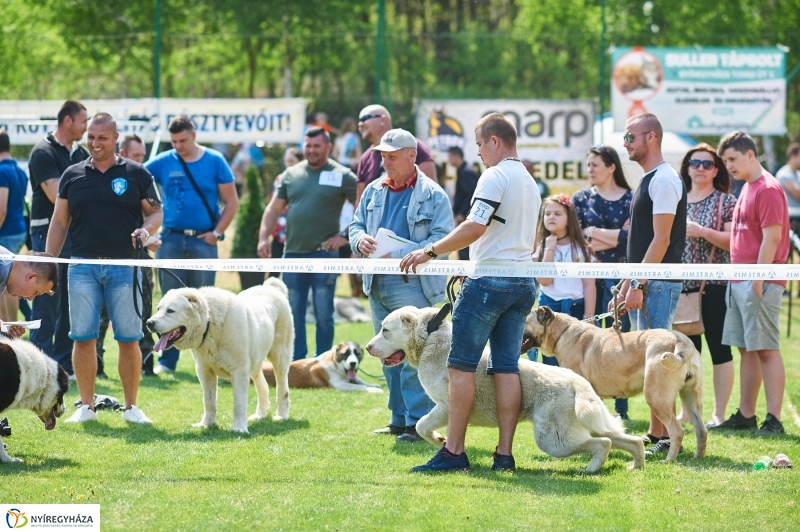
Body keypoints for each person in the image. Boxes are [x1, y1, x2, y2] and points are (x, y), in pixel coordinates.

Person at [400, 113, 540, 472]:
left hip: (490, 281)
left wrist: (431, 251)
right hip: (523, 281)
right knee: (506, 367)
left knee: (460, 367)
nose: (477, 152)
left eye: (479, 143)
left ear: (495, 141)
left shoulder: (494, 176)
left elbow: (475, 226)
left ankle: (454, 451)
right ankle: (504, 455)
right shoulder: (529, 180)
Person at [46, 112, 163, 424]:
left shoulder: (138, 174)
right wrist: (48, 262)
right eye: (91, 137)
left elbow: (155, 212)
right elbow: (59, 221)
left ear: (115, 139)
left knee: (128, 338)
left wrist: (146, 231)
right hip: (82, 267)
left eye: (102, 138)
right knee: (82, 337)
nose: (95, 143)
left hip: (126, 268)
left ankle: (131, 407)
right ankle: (86, 407)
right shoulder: (72, 174)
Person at [350, 129, 454, 443]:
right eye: (383, 155)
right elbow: (355, 224)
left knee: (413, 357)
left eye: (392, 156)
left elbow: (443, 240)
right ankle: (398, 420)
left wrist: (396, 251)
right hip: (376, 283)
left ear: (412, 155)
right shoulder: (373, 189)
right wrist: (359, 240)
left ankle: (416, 425)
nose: (386, 162)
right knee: (386, 354)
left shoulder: (433, 194)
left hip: (411, 284)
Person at [610, 113, 686, 457]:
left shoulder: (665, 179)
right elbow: (641, 244)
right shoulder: (648, 178)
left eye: (630, 137)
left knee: (658, 363)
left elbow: (661, 239)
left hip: (659, 281)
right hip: (646, 280)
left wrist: (638, 282)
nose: (625, 143)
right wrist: (628, 283)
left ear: (651, 137)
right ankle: (657, 434)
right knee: (649, 362)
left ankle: (666, 436)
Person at [145, 115, 239, 374]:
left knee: (205, 304)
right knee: (167, 306)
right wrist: (149, 231)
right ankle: (166, 361)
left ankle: (212, 358)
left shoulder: (215, 161)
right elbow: (136, 184)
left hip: (203, 239)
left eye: (183, 140)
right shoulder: (163, 162)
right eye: (173, 141)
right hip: (171, 238)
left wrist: (217, 233)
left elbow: (232, 202)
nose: (178, 146)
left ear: (194, 135)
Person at [710, 131, 789, 436]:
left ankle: (774, 419)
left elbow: (773, 237)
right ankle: (746, 415)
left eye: (732, 159)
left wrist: (758, 277)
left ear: (750, 155)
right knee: (746, 348)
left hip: (761, 281)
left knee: (766, 348)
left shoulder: (768, 187)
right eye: (725, 160)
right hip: (738, 279)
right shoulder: (747, 186)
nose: (728, 165)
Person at [256, 127, 357, 360]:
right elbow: (273, 209)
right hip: (292, 254)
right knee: (293, 314)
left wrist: (346, 237)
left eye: (316, 146)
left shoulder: (343, 175)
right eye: (307, 145)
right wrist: (263, 237)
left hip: (324, 254)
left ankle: (322, 363)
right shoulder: (290, 175)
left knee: (323, 313)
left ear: (328, 147)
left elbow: (363, 209)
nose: (311, 150)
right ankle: (297, 363)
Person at [676, 144, 737, 428]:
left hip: (714, 285)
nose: (700, 168)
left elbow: (732, 242)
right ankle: (688, 412)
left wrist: (702, 232)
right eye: (695, 162)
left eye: (707, 164)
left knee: (719, 350)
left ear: (716, 170)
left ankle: (719, 414)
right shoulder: (676, 199)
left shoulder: (727, 202)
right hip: (680, 286)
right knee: (686, 354)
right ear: (687, 167)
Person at [28, 100, 89, 378]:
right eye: (83, 121)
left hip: (74, 234)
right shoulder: (43, 152)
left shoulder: (81, 153)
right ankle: (37, 363)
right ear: (68, 121)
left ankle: (64, 365)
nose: (86, 128)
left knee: (71, 300)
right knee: (45, 297)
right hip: (46, 231)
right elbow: (56, 197)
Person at [572, 144, 633, 419]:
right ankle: (593, 403)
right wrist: (614, 235)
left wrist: (594, 231)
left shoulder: (632, 199)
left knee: (620, 342)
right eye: (588, 164)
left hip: (621, 278)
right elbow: (578, 238)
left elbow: (629, 240)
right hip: (588, 279)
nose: (590, 170)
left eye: (595, 164)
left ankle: (622, 406)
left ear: (612, 166)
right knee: (590, 342)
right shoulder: (581, 198)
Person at [95, 134, 160, 378]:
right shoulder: (101, 178)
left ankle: (146, 361)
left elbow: (153, 214)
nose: (141, 161)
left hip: (138, 256)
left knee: (143, 310)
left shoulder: (142, 177)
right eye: (136, 156)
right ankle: (97, 363)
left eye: (142, 156)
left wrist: (150, 236)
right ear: (121, 152)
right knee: (101, 314)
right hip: (103, 256)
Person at [532, 194, 596, 366]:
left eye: (558, 213)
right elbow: (544, 281)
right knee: (550, 357)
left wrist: (589, 315)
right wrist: (549, 249)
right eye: (547, 213)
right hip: (549, 307)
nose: (551, 217)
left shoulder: (581, 248)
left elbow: (589, 284)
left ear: (569, 219)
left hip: (576, 305)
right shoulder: (541, 248)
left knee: (574, 356)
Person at [354, 104, 437, 207]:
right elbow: (360, 205)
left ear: (382, 120)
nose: (360, 124)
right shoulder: (364, 159)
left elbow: (432, 192)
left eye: (364, 118)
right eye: (359, 121)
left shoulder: (413, 147)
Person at [0, 131, 30, 325]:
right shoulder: (19, 170)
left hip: (6, 231)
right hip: (19, 229)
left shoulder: (2, 171)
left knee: (7, 282)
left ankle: (9, 326)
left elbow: (1, 209)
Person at [0, 249, 58, 339]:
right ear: (31, 277)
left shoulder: (6, 267)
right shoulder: (2, 268)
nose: (30, 298)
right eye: (36, 293)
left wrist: (5, 331)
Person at [267, 147, 303, 278]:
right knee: (274, 269)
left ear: (300, 161)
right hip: (279, 231)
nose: (288, 164)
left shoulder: (305, 179)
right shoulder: (279, 179)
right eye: (286, 161)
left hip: (298, 233)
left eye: (292, 161)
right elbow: (273, 204)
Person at [448, 146, 480, 261]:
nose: (448, 160)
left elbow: (471, 194)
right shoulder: (464, 170)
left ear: (456, 156)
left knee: (465, 250)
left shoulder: (466, 172)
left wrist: (462, 213)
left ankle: (466, 276)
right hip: (466, 217)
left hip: (467, 218)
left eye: (450, 157)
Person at [776, 143, 800, 236]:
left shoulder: (798, 173)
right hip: (791, 219)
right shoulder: (783, 174)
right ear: (793, 156)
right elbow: (797, 194)